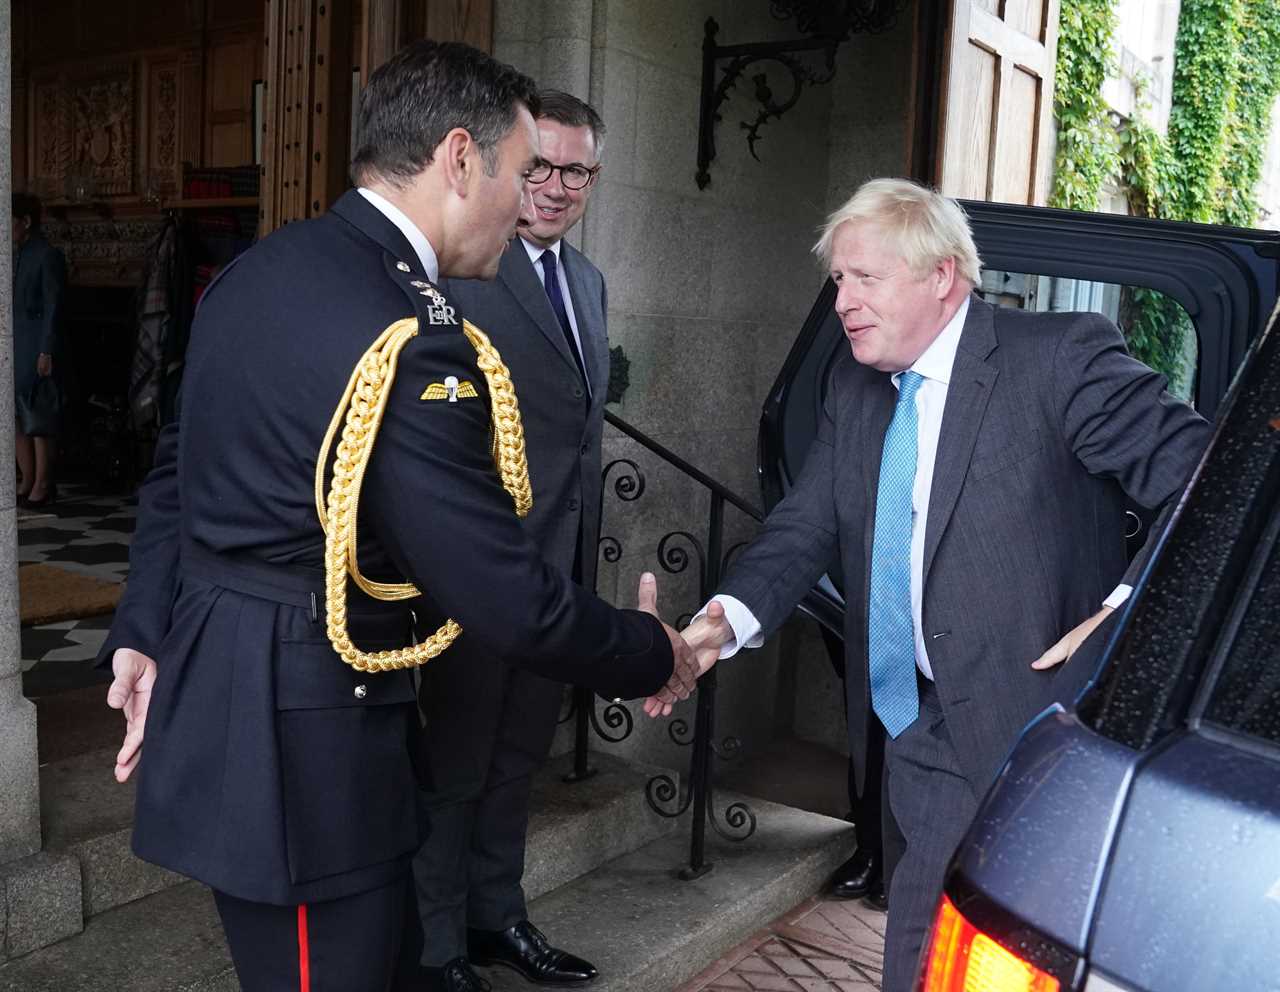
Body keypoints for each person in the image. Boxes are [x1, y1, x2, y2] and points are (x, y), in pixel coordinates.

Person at [99, 42, 718, 992]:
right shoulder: (411, 335)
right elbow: (494, 586)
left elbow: (176, 480)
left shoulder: (261, 272)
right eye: (519, 172)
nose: (526, 202)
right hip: (302, 731)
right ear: (460, 159)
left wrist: (143, 630)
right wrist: (652, 649)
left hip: (253, 685)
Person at [669, 178, 1210, 992]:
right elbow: (804, 524)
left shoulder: (1058, 357)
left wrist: (1117, 614)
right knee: (923, 938)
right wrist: (721, 620)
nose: (842, 299)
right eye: (838, 280)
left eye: (863, 278)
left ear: (942, 276)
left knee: (984, 949)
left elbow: (1208, 484)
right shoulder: (855, 388)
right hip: (910, 721)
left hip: (1029, 724)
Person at [402, 90, 611, 992]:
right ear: (504, 167)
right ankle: (438, 947)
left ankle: (498, 918)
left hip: (556, 575)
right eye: (543, 167)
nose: (558, 188)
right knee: (453, 765)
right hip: (477, 573)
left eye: (578, 172)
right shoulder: (462, 273)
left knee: (519, 756)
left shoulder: (591, 283)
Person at [12, 193, 66, 507]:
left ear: (26, 222)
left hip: (36, 343)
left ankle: (43, 483)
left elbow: (53, 306)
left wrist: (46, 350)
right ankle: (27, 477)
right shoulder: (16, 255)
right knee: (14, 414)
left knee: (37, 413)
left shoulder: (47, 255)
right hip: (14, 341)